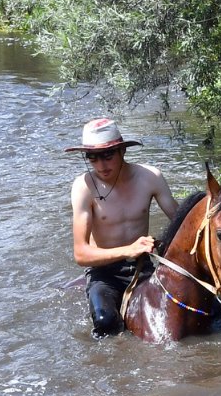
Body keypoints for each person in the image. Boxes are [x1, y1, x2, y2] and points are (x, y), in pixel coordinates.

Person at [67, 118, 179, 336]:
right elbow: (81, 254)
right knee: (105, 321)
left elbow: (181, 220)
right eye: (93, 157)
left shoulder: (150, 177)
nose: (101, 165)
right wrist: (129, 249)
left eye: (107, 155)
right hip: (104, 273)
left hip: (142, 268)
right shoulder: (84, 187)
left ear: (122, 151)